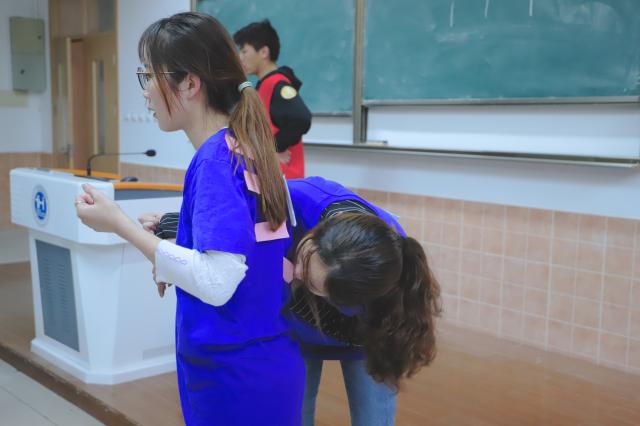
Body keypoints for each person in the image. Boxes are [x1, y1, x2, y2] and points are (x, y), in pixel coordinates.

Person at [75, 12, 304, 426]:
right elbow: (248, 240)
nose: (145, 91)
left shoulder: (215, 160)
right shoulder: (245, 147)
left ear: (190, 84)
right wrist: (175, 234)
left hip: (232, 377)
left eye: (149, 75)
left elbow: (216, 280)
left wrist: (119, 224)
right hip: (266, 363)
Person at [146, 176, 442, 426]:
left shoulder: (388, 283)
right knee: (296, 414)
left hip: (367, 338)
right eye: (303, 257)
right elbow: (229, 216)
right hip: (299, 331)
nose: (296, 273)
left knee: (373, 418)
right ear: (317, 233)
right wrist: (174, 232)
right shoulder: (299, 199)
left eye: (312, 283)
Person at [233, 20, 311, 179]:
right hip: (270, 178)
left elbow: (301, 119)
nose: (240, 58)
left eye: (244, 51)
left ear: (264, 52)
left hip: (285, 181)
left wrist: (273, 148)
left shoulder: (276, 84)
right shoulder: (263, 85)